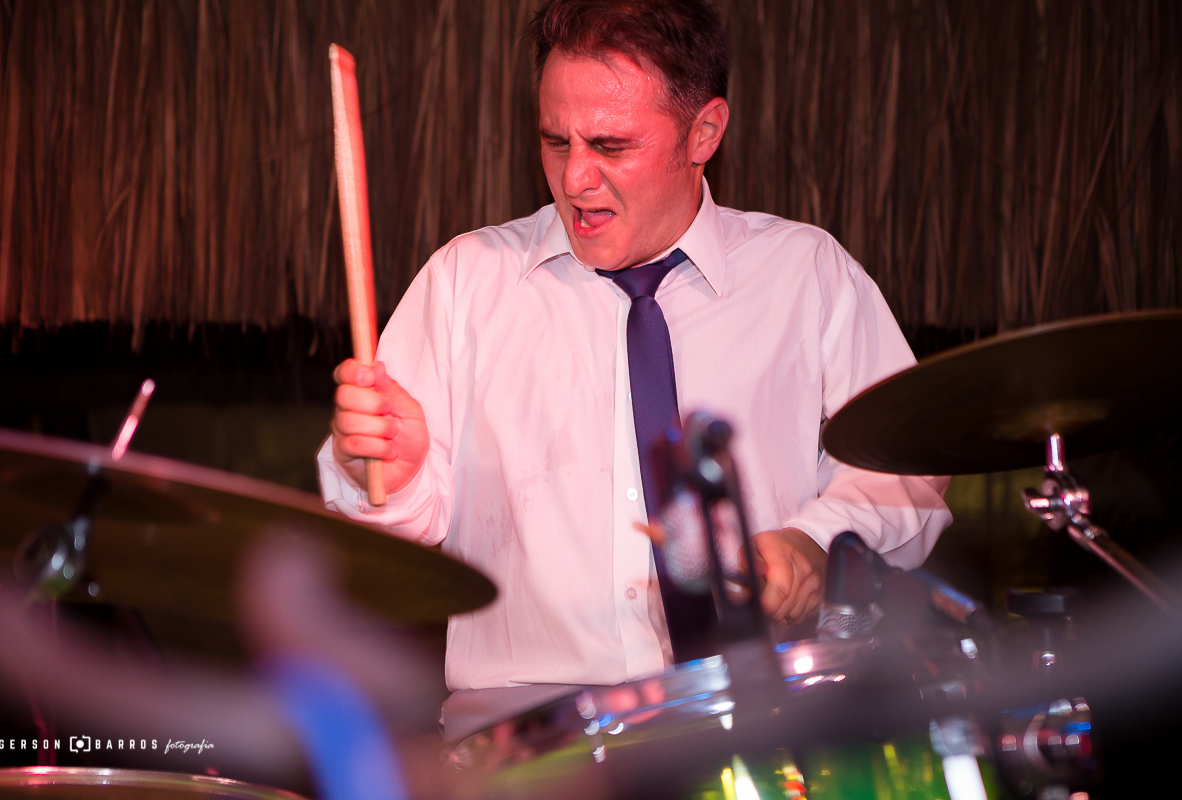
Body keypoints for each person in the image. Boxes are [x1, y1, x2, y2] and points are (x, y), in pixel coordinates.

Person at [317, 0, 951, 741]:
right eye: (555, 141)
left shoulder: (804, 273)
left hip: (755, 728)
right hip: (522, 746)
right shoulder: (465, 282)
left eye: (611, 146)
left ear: (703, 132)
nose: (575, 177)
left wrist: (819, 540)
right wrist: (385, 472)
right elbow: (389, 546)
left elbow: (907, 469)